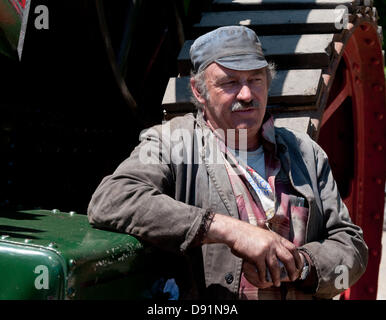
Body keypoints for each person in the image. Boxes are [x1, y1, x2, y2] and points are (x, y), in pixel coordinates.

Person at [87, 26, 368, 300]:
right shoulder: (171, 144)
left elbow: (350, 242)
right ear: (198, 91)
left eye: (255, 79)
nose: (246, 95)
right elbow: (112, 199)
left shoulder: (306, 153)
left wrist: (301, 265)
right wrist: (230, 231)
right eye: (230, 82)